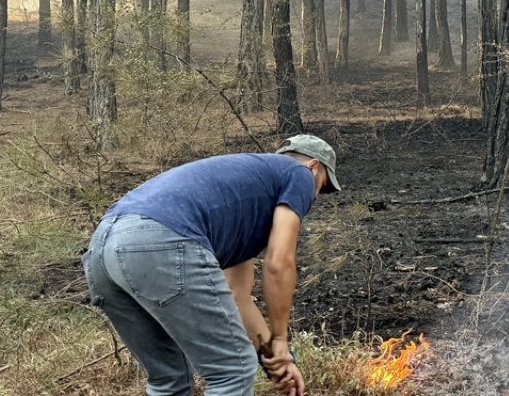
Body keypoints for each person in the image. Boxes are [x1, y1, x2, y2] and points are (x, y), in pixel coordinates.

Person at [82, 134, 341, 396]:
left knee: (170, 379)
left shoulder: (243, 200)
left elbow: (237, 296)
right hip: (161, 239)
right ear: (313, 166)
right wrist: (282, 339)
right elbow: (278, 263)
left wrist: (274, 357)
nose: (316, 196)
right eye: (323, 186)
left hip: (103, 251)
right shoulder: (298, 174)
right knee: (233, 371)